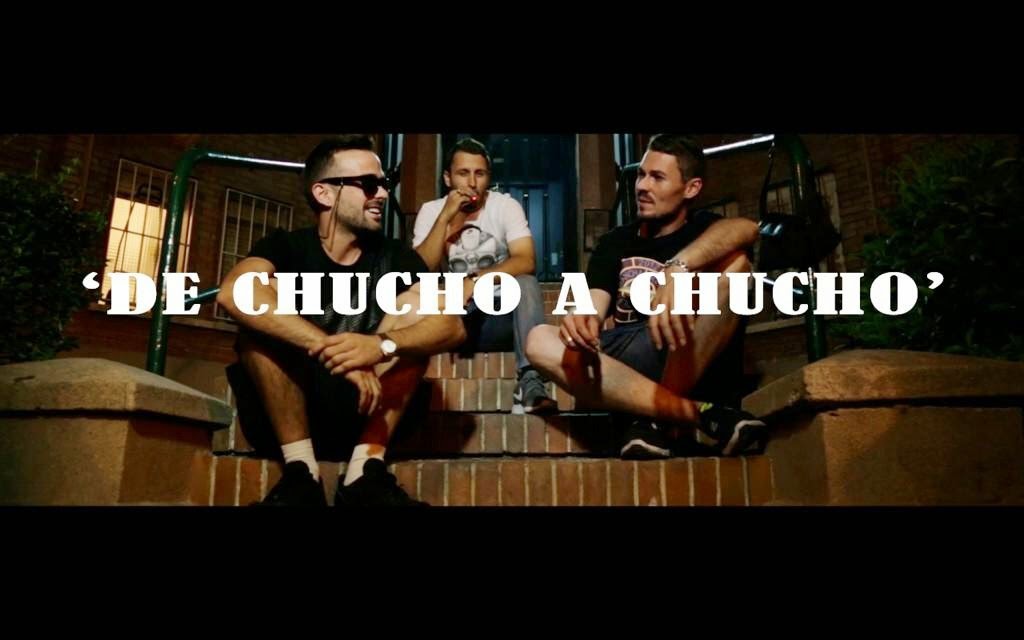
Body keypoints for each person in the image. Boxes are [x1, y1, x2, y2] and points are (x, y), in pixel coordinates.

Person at [219, 135, 466, 506]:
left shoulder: (395, 257)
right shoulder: (286, 246)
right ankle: (301, 474)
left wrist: (380, 346)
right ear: (324, 193)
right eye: (368, 184)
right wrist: (335, 353)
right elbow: (233, 293)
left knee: (419, 312)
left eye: (384, 183)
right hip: (288, 409)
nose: (382, 194)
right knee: (260, 303)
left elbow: (452, 325)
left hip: (367, 409)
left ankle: (364, 473)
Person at [524, 134, 767, 459]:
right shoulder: (616, 241)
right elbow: (593, 303)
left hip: (688, 346)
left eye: (657, 177)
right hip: (629, 359)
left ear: (691, 188)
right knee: (539, 339)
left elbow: (747, 229)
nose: (642, 186)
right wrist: (583, 319)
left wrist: (677, 268)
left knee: (737, 265)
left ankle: (650, 421)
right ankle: (697, 414)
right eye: (641, 174)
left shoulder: (705, 228)